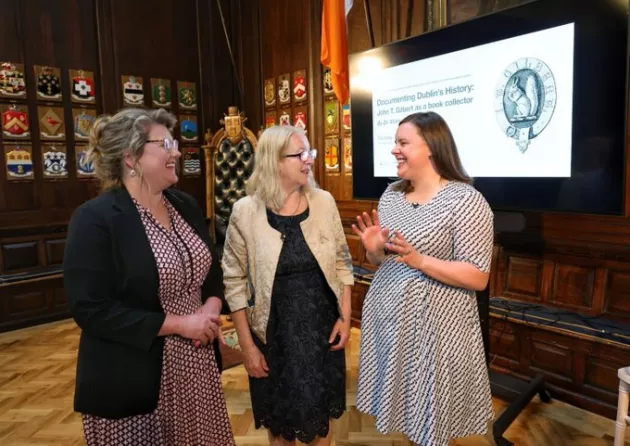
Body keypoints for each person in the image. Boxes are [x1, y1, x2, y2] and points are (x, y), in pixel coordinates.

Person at [63, 108, 235, 446]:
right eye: (166, 144)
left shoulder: (184, 204)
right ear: (131, 157)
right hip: (131, 375)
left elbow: (212, 273)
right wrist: (180, 324)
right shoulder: (95, 219)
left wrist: (210, 309)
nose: (176, 152)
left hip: (196, 367)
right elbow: (90, 309)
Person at [353, 111, 494, 446]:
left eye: (403, 142)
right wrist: (374, 249)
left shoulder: (465, 201)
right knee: (406, 413)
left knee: (432, 421)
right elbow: (382, 260)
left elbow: (478, 276)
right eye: (395, 143)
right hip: (390, 322)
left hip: (438, 332)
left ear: (431, 146)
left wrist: (420, 261)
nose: (394, 150)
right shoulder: (391, 195)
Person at [221, 125, 354, 445]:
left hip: (321, 333)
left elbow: (342, 263)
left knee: (320, 423)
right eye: (301, 154)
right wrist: (247, 347)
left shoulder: (323, 202)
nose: (309, 160)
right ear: (274, 161)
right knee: (280, 428)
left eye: (310, 152)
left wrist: (345, 319)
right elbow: (234, 281)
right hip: (273, 335)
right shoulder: (245, 211)